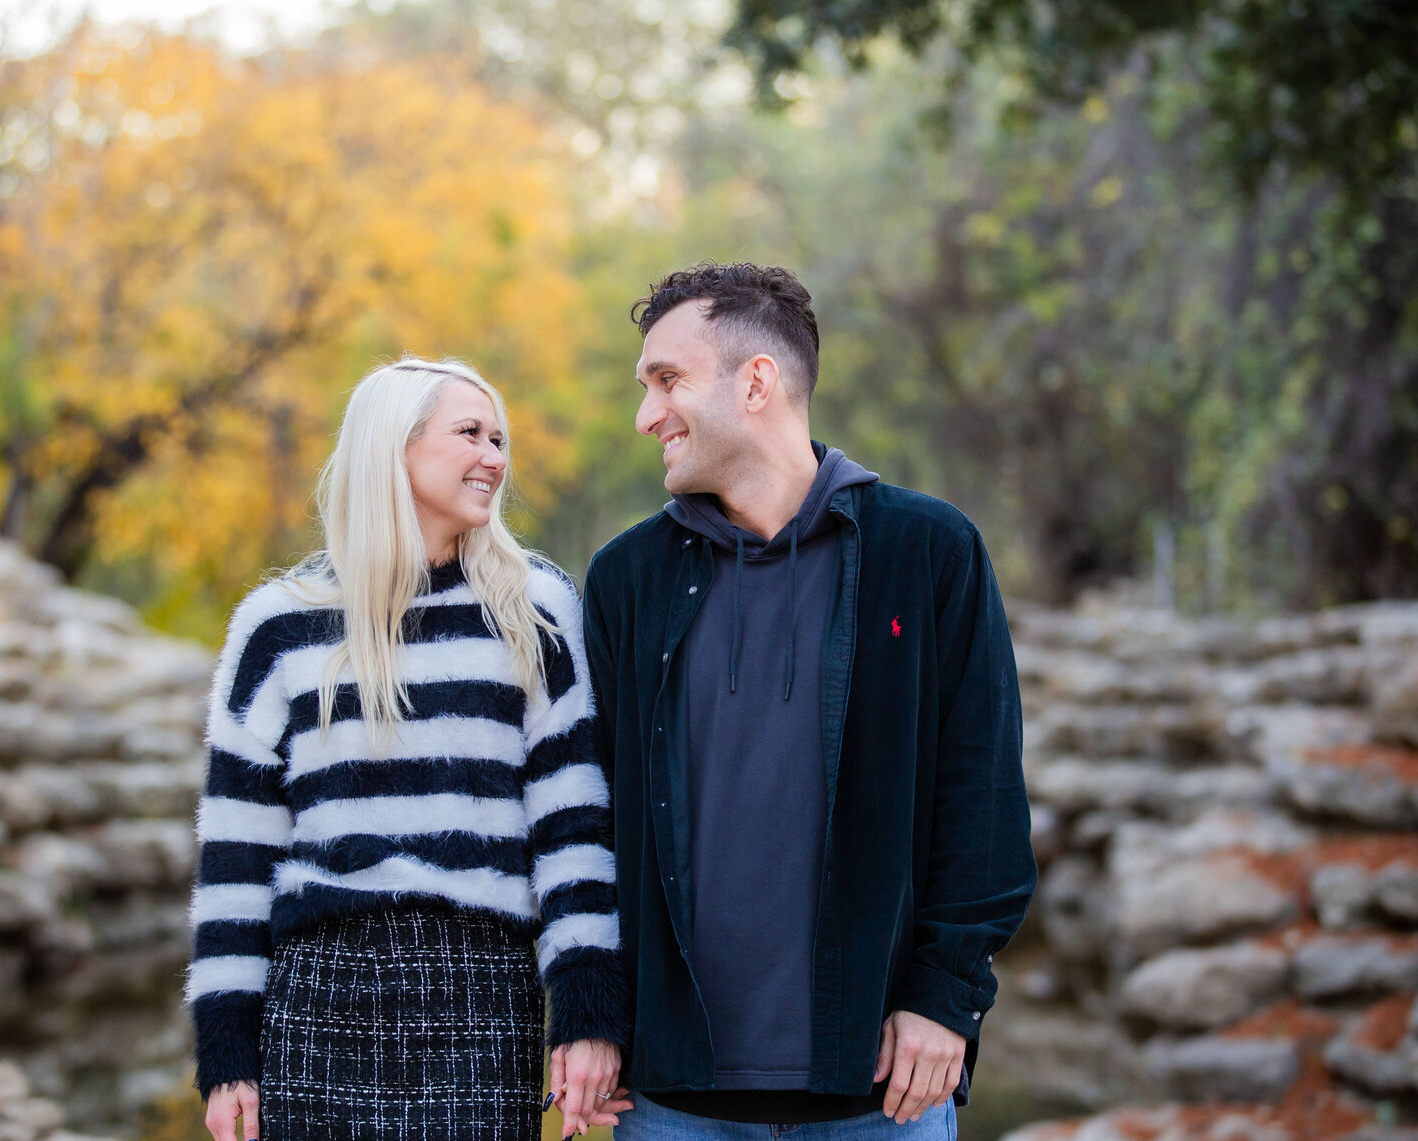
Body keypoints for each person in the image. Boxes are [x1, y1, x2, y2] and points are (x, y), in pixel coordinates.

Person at [581, 263, 1038, 1138]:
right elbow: (588, 823)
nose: (645, 415)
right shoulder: (626, 578)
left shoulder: (928, 550)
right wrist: (591, 1012)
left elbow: (982, 801)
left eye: (666, 380)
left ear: (757, 382)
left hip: (879, 1092)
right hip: (672, 1097)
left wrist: (948, 998)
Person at [185, 357, 630, 1141]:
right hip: (317, 997)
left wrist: (587, 1011)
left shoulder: (537, 610)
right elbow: (234, 861)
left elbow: (574, 832)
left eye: (500, 438)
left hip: (483, 995)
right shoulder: (277, 626)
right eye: (470, 433)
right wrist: (226, 1057)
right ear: (394, 444)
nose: (495, 456)